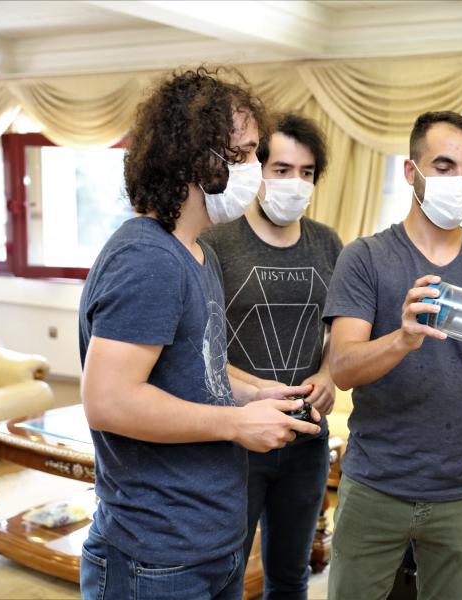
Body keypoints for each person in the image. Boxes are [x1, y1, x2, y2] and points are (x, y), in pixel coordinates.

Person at [78, 67, 321, 600]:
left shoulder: (197, 251)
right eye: (246, 154)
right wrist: (236, 424)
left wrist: (256, 394)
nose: (256, 170)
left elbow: (198, 366)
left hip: (210, 542)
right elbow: (109, 401)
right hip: (155, 555)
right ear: (195, 158)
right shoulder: (147, 259)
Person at [323, 111, 462, 600]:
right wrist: (402, 338)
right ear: (411, 171)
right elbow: (343, 368)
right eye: (444, 167)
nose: (458, 182)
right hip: (376, 482)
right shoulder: (365, 257)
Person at [200, 112, 342, 600]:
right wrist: (257, 393)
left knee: (290, 574)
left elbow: (339, 331)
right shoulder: (216, 241)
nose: (294, 183)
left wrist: (328, 373)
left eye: (306, 172)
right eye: (281, 170)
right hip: (237, 439)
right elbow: (201, 348)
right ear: (256, 170)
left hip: (306, 438)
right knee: (226, 574)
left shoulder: (327, 243)